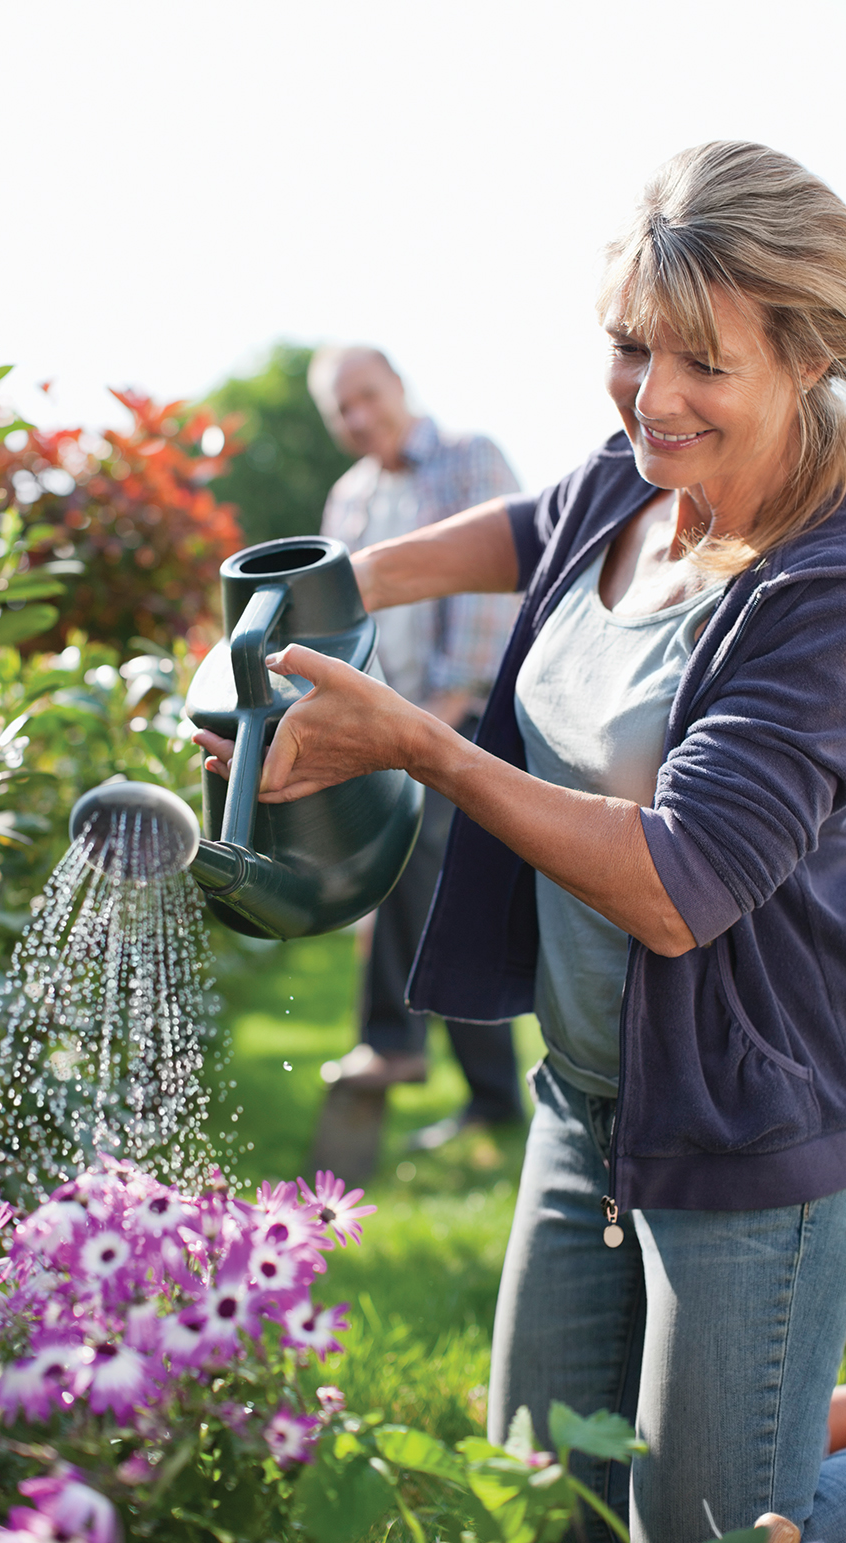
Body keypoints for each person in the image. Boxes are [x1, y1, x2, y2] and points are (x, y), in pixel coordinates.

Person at [194, 142, 846, 1542]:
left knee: (716, 1532)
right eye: (628, 347)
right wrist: (329, 588)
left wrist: (421, 744)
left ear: (810, 356)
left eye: (702, 365)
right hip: (589, 1097)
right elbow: (540, 527)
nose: (652, 398)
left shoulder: (841, 593)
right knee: (540, 1501)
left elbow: (679, 885)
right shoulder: (641, 473)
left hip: (749, 1126)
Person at [305, 346, 524, 1141]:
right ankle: (493, 1097)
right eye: (342, 411)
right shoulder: (350, 497)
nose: (359, 418)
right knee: (436, 889)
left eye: (367, 396)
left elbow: (491, 587)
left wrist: (442, 705)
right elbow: (342, 618)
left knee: (413, 864)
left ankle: (394, 1043)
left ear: (398, 383)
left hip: (466, 715)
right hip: (386, 723)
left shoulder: (469, 460)